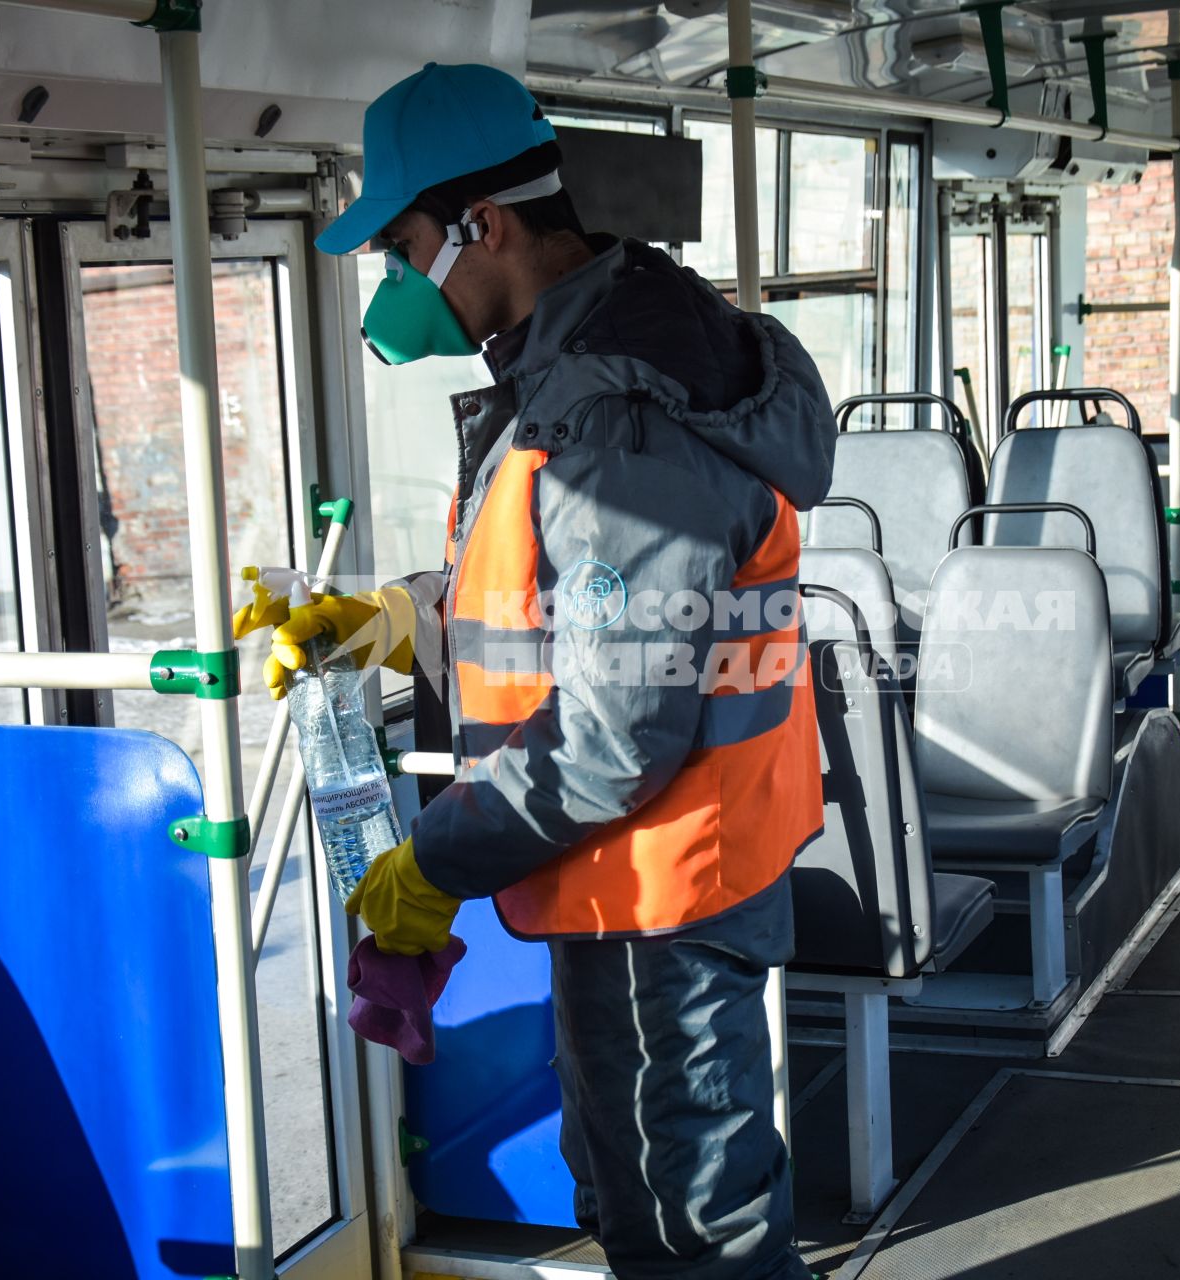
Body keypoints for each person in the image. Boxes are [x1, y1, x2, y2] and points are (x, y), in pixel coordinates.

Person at [234, 62, 834, 1280]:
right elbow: (556, 594)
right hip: (631, 882)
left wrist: (432, 860)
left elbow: (617, 732)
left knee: (691, 1239)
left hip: (667, 891)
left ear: (483, 226)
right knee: (637, 1207)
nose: (396, 283)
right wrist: (393, 622)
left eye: (404, 246)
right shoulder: (581, 361)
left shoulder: (617, 414)